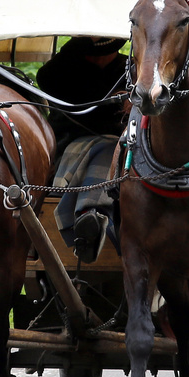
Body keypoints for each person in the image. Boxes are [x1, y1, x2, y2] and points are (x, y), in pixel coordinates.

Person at [36, 36, 128, 262]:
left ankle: (92, 220)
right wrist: (77, 47)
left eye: (97, 52)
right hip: (69, 143)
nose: (93, 58)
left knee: (113, 148)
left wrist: (132, 101)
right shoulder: (65, 68)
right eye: (88, 52)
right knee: (108, 147)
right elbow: (44, 79)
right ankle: (89, 215)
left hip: (123, 149)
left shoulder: (132, 70)